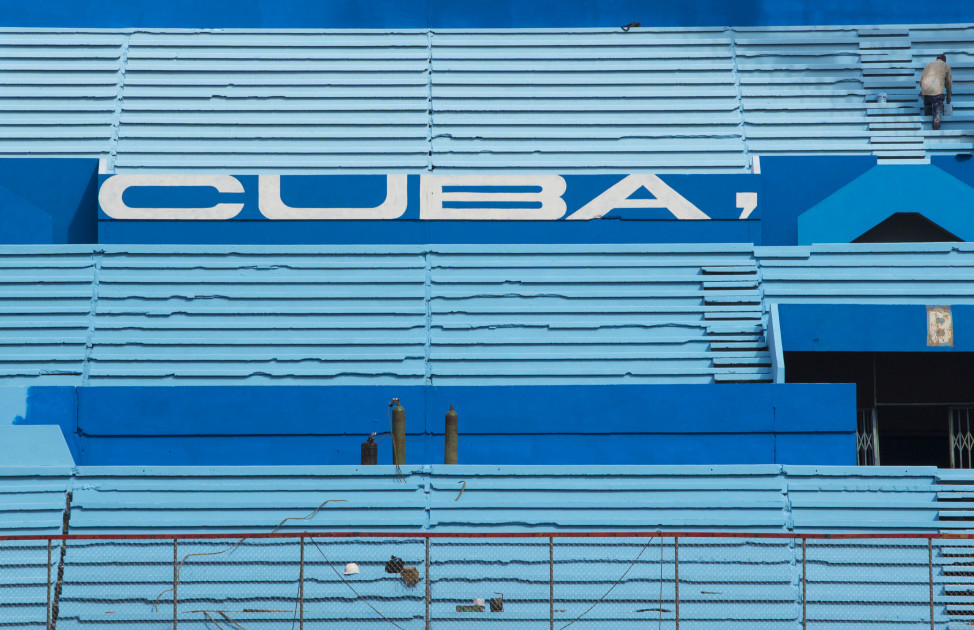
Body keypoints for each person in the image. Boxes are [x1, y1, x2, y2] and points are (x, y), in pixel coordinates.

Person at [920, 54, 952, 130]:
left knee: (927, 108)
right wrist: (948, 96)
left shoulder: (928, 65)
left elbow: (921, 80)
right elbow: (948, 83)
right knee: (937, 111)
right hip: (937, 92)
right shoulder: (945, 65)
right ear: (944, 59)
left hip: (926, 91)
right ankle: (936, 129)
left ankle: (926, 128)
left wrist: (923, 92)